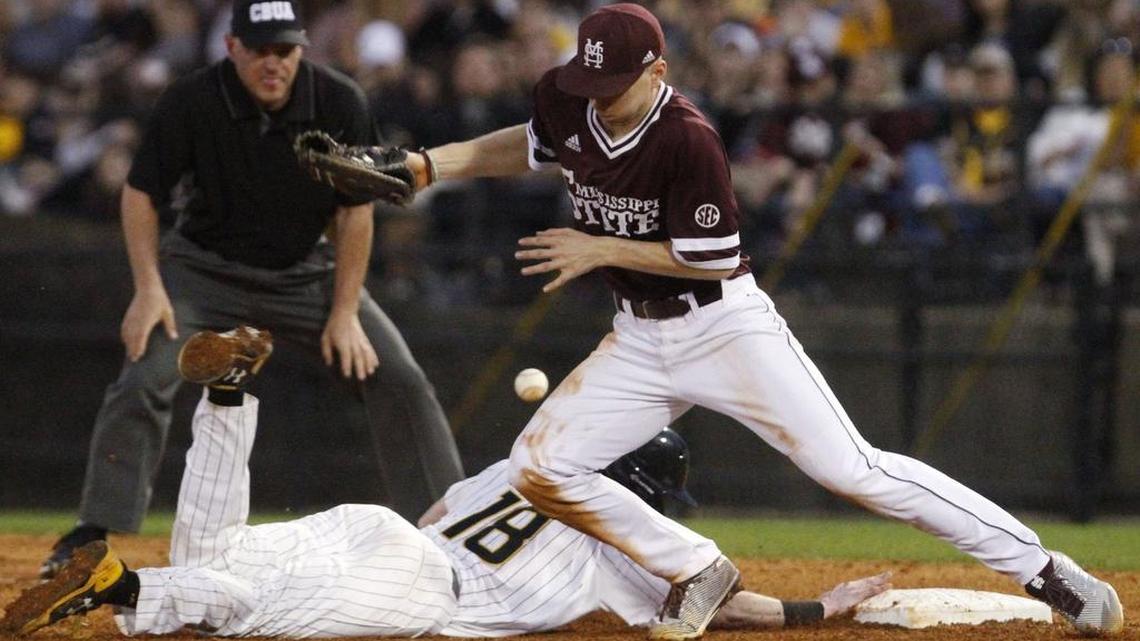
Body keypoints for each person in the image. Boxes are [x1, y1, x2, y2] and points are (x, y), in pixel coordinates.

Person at [362, 4, 1124, 638]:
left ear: (657, 72)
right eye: (587, 79)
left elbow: (710, 256)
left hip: (722, 327)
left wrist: (599, 244)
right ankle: (699, 565)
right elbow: (526, 146)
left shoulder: (686, 137)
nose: (595, 95)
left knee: (854, 469)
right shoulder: (573, 99)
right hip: (638, 337)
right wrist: (430, 165)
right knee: (537, 467)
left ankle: (1046, 569)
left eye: (613, 82)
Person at [0, 326, 890, 638]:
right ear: (646, 493)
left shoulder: (521, 467)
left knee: (222, 554)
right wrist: (820, 609)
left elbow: (432, 509)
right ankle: (123, 588)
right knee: (248, 611)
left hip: (384, 530)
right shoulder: (621, 539)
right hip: (421, 586)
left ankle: (228, 401)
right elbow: (723, 603)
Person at [40, 0, 464, 580]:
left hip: (305, 275)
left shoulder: (339, 100)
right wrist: (148, 289)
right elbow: (140, 195)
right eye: (260, 50)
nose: (274, 63)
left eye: (285, 50)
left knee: (399, 377)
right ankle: (90, 534)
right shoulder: (192, 99)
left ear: (302, 49)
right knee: (144, 373)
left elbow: (356, 213)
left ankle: (451, 532)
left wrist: (344, 311)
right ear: (232, 47)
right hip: (203, 272)